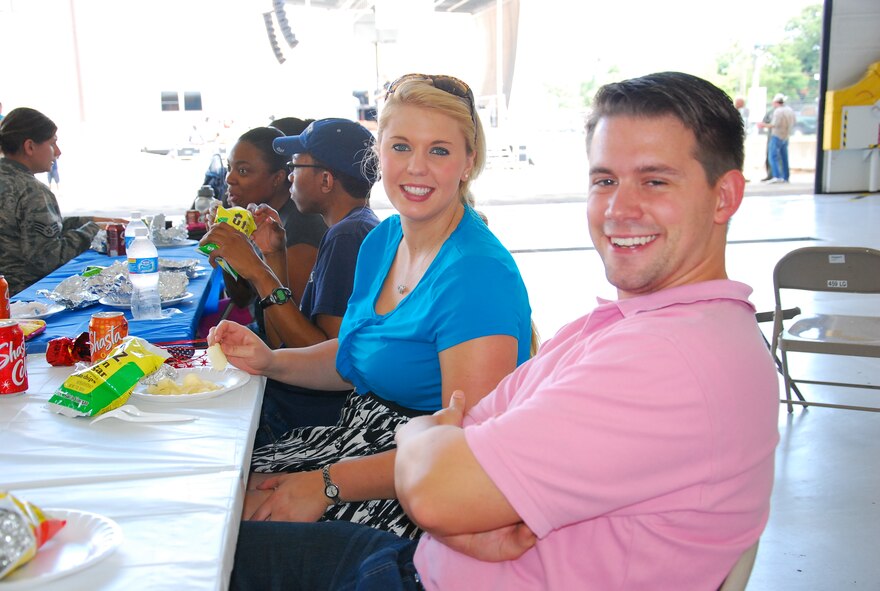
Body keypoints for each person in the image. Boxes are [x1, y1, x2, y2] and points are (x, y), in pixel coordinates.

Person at [228, 71, 780, 591]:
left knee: (210, 545)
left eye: (655, 180)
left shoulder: (665, 358)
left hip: (422, 570)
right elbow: (464, 435)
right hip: (436, 556)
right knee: (219, 513)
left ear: (725, 196)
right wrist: (440, 447)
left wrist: (428, 448)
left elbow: (442, 483)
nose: (620, 208)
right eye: (605, 179)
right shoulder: (625, 323)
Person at [209, 73, 533, 540]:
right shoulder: (383, 240)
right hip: (352, 441)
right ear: (378, 154)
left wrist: (324, 485)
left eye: (438, 150)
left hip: (418, 481)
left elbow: (466, 448)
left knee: (222, 532)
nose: (416, 167)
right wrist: (272, 360)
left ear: (469, 163)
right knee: (213, 492)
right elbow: (353, 357)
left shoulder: (477, 274)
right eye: (401, 147)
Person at [202, 118, 381, 442]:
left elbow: (328, 354)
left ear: (326, 180)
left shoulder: (348, 236)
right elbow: (277, 337)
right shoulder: (348, 228)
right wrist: (273, 255)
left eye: (296, 167)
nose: (290, 178)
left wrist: (258, 271)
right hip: (293, 399)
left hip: (305, 416)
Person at [197, 124, 327, 333]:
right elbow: (241, 297)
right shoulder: (260, 219)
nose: (229, 179)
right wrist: (224, 245)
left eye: (243, 171)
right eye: (230, 168)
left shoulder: (299, 231)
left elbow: (291, 334)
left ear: (277, 178)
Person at [0, 107, 125, 295]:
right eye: (52, 143)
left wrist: (88, 221)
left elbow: (36, 229)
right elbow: (49, 259)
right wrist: (93, 230)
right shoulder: (31, 190)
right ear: (30, 147)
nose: (58, 152)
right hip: (22, 298)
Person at [758, 93, 797, 183]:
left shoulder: (778, 111)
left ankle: (776, 176)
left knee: (773, 156)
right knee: (784, 157)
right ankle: (786, 177)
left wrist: (763, 125)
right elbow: (794, 122)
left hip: (777, 135)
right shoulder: (790, 110)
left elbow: (774, 124)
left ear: (776, 102)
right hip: (786, 136)